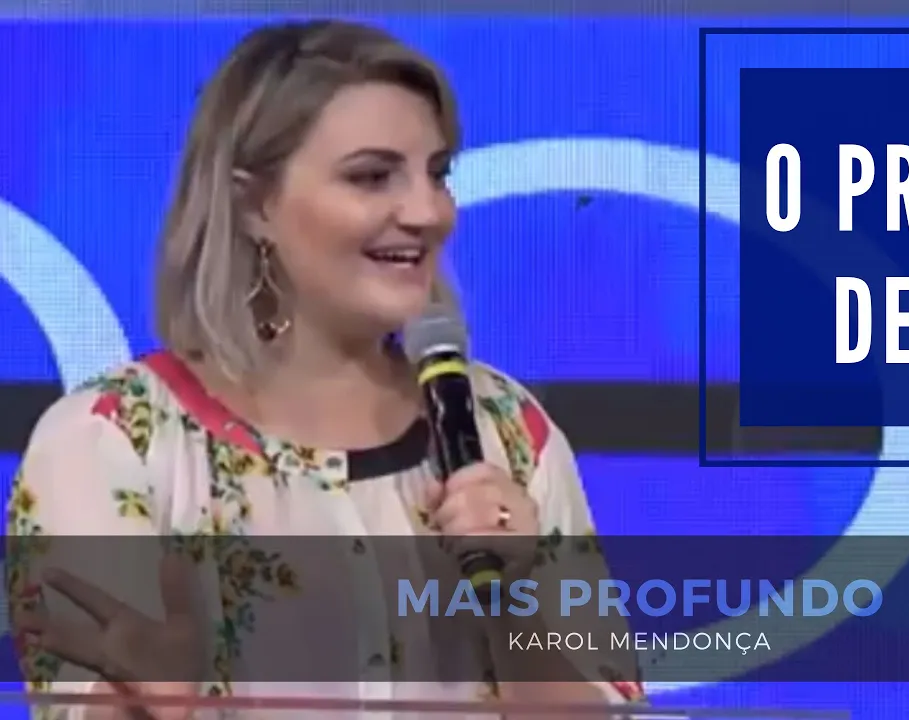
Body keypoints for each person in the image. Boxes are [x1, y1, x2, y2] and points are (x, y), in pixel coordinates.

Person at [6, 19, 642, 720]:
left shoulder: (506, 431)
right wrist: (153, 706)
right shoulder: (113, 442)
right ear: (254, 205)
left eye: (437, 174)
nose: (428, 212)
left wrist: (517, 608)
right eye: (372, 176)